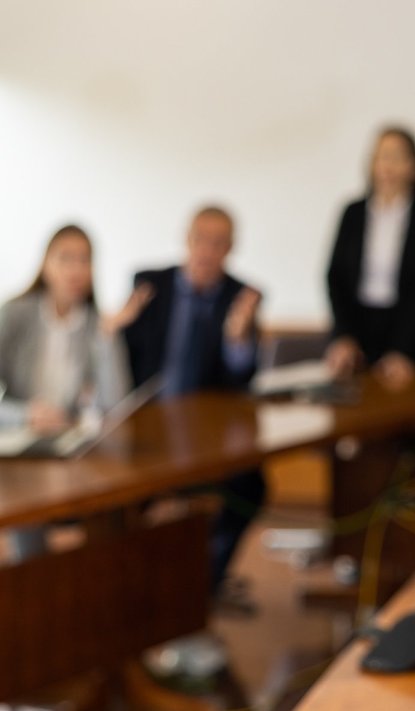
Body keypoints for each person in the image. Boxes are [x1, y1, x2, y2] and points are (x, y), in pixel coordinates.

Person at [117, 205, 265, 606]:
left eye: (218, 243)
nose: (207, 251)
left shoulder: (242, 296)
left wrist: (237, 337)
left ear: (231, 248)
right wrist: (114, 329)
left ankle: (203, 586)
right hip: (147, 425)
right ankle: (131, 588)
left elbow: (243, 377)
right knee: (123, 496)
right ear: (187, 239)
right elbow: (121, 358)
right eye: (201, 239)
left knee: (251, 486)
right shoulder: (150, 285)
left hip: (206, 435)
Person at [0, 224, 130, 560]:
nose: (75, 269)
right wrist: (24, 413)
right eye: (65, 258)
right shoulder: (16, 314)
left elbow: (115, 404)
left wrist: (107, 338)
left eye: (84, 260)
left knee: (115, 506)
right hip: (15, 443)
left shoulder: (92, 323)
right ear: (45, 265)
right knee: (31, 524)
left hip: (65, 445)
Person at [325, 126, 415, 390]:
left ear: (414, 166)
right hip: (356, 326)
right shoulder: (352, 213)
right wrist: (343, 336)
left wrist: (401, 349)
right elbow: (335, 277)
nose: (388, 166)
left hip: (402, 331)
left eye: (397, 157)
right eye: (382, 156)